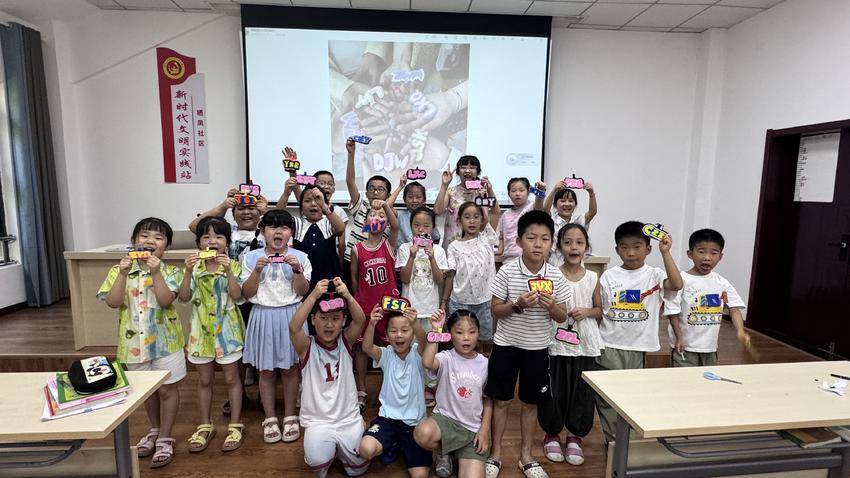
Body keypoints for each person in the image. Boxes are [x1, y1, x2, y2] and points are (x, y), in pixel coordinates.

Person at [487, 210, 572, 478]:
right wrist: (517, 304)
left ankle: (526, 456)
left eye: (545, 239)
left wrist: (552, 307)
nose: (538, 244)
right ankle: (495, 454)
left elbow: (562, 316)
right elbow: (495, 311)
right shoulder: (507, 271)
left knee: (530, 403)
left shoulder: (556, 276)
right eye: (531, 238)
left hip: (537, 348)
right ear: (519, 241)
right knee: (501, 401)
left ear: (551, 244)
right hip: (506, 345)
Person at [98, 217, 185, 468]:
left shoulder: (171, 271)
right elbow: (113, 302)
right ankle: (154, 429)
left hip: (166, 342)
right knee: (148, 390)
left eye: (158, 237)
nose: (150, 241)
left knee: (167, 389)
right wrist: (122, 274)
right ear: (134, 241)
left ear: (166, 246)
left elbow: (166, 300)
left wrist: (155, 272)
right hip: (133, 344)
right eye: (145, 235)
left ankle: (165, 436)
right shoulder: (118, 270)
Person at [595, 220, 683, 444]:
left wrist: (666, 252)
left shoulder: (654, 275)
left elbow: (676, 284)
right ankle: (614, 443)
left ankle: (629, 443)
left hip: (639, 347)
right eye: (624, 247)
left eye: (637, 246)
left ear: (648, 249)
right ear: (617, 250)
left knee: (632, 397)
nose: (631, 253)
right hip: (609, 345)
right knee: (607, 398)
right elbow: (600, 310)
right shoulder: (608, 276)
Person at [240, 209, 312, 444]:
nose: (278, 231)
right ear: (263, 231)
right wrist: (257, 271)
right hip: (262, 315)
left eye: (284, 227)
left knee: (291, 370)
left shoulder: (300, 257)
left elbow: (302, 291)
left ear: (291, 233)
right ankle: (270, 418)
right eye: (272, 227)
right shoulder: (251, 258)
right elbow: (246, 293)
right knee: (266, 371)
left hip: (292, 316)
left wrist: (297, 270)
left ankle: (290, 416)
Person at [178, 216, 246, 453]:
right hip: (200, 333)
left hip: (228, 332)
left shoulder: (234, 265)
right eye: (206, 236)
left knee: (232, 379)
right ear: (199, 243)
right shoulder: (194, 268)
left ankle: (235, 424)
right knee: (204, 380)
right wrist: (187, 272)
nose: (212, 241)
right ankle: (205, 424)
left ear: (227, 242)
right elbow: (184, 297)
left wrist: (228, 272)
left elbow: (237, 296)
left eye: (218, 236)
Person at [290, 278, 370, 477]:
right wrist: (313, 296)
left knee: (358, 469)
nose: (329, 324)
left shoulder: (346, 341)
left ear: (343, 321)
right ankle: (329, 449)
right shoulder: (306, 347)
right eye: (323, 317)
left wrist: (348, 296)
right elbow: (294, 327)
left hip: (347, 418)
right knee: (318, 462)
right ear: (313, 319)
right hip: (318, 421)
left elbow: (360, 320)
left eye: (335, 318)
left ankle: (352, 435)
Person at [537, 224, 602, 466]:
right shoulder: (551, 274)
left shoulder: (593, 277)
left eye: (579, 242)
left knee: (581, 390)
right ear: (559, 246)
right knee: (555, 388)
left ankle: (575, 436)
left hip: (584, 341)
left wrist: (587, 311)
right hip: (556, 340)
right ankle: (552, 433)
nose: (573, 247)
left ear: (586, 247)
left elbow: (600, 310)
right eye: (568, 242)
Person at [413, 309, 492, 478]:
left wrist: (484, 430)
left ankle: (455, 451)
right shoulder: (446, 357)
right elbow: (427, 362)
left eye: (472, 332)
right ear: (450, 334)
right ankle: (444, 452)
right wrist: (436, 330)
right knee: (422, 432)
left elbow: (488, 399)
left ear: (478, 333)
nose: (466, 338)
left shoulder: (485, 364)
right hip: (446, 422)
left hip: (472, 430)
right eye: (459, 332)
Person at [357, 305, 432, 478]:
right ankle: (394, 443)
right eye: (393, 331)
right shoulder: (386, 354)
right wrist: (372, 323)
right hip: (388, 420)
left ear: (412, 334)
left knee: (420, 475)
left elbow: (425, 342)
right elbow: (367, 348)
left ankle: (397, 445)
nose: (399, 335)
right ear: (386, 335)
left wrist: (415, 323)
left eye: (405, 330)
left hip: (414, 424)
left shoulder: (418, 353)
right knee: (366, 449)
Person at [667, 228, 749, 367]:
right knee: (684, 379)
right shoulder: (680, 280)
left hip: (710, 348)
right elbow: (672, 312)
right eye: (701, 251)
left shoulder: (721, 282)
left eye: (713, 253)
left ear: (720, 256)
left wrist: (741, 331)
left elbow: (734, 309)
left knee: (707, 377)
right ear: (690, 254)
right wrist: (679, 338)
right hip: (684, 347)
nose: (707, 257)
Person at [395, 205, 448, 406]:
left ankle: (429, 385)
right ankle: (410, 383)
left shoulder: (438, 251)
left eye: (426, 225)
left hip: (431, 310)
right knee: (410, 348)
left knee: (429, 348)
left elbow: (440, 279)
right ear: (411, 227)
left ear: (433, 228)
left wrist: (431, 256)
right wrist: (411, 255)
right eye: (417, 225)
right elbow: (404, 278)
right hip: (410, 310)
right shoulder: (404, 248)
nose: (421, 229)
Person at [351, 199, 400, 411]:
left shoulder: (388, 244)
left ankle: (391, 387)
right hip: (366, 307)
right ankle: (361, 390)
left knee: (391, 347)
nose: (377, 218)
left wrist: (385, 207)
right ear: (365, 221)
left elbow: (396, 226)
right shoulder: (357, 249)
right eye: (373, 214)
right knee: (362, 349)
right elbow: (355, 278)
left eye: (382, 217)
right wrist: (360, 300)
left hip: (388, 307)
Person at [442, 201, 501, 348]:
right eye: (467, 217)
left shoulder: (486, 238)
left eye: (476, 216)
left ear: (482, 219)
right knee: (461, 340)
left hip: (485, 300)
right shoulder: (454, 246)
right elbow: (450, 275)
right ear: (459, 220)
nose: (472, 221)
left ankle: (480, 362)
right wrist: (444, 301)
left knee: (484, 341)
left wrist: (488, 191)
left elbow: (495, 212)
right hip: (460, 301)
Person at [344, 138, 393, 265]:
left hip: (374, 263)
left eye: (380, 189)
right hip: (351, 260)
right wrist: (351, 154)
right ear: (366, 193)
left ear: (388, 195)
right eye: (371, 189)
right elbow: (350, 182)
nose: (375, 192)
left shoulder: (389, 215)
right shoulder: (361, 206)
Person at [434, 155, 496, 250]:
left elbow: (486, 219)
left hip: (474, 246)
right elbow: (438, 211)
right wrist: (444, 185)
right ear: (458, 172)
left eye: (472, 167)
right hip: (452, 244)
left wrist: (487, 192)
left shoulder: (482, 192)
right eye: (463, 167)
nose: (467, 170)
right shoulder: (451, 191)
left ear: (478, 172)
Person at [543, 180, 598, 265]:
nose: (567, 204)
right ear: (554, 205)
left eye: (571, 201)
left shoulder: (578, 220)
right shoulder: (551, 220)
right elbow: (545, 210)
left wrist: (591, 193)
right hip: (555, 263)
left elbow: (592, 212)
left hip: (576, 262)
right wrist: (554, 190)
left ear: (575, 205)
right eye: (562, 201)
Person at [496, 178, 545, 265]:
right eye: (513, 191)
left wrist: (540, 191)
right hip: (508, 261)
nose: (517, 194)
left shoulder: (531, 208)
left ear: (528, 192)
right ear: (508, 194)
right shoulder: (505, 215)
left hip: (528, 260)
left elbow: (539, 207)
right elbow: (501, 237)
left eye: (521, 190)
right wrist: (498, 251)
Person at [394, 180, 442, 246]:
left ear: (424, 199)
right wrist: (400, 187)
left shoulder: (428, 215)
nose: (414, 200)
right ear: (404, 199)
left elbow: (436, 238)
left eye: (418, 197)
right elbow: (387, 206)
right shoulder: (399, 215)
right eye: (410, 197)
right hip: (404, 251)